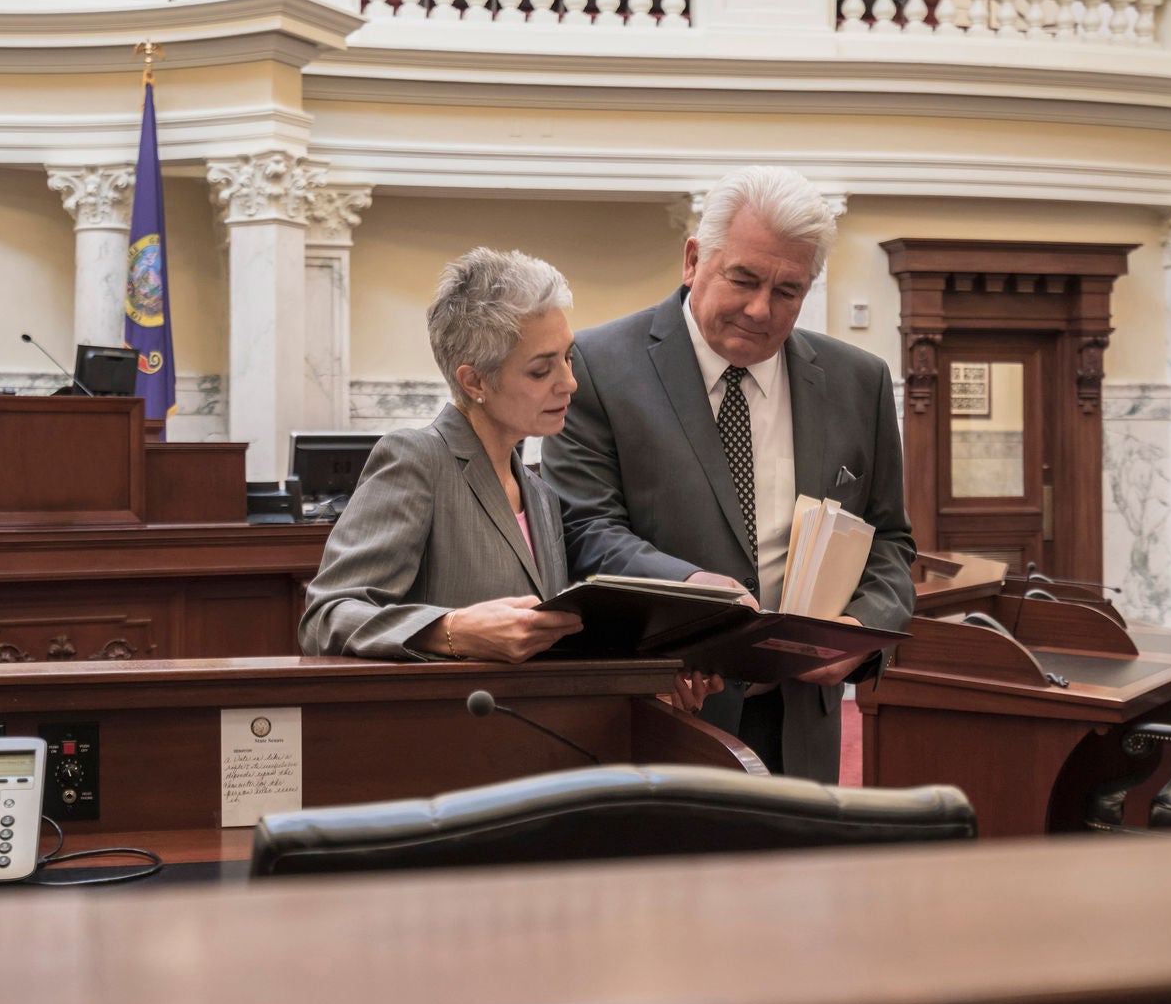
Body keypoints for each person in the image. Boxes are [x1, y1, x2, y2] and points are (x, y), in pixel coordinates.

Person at [539, 166, 915, 781]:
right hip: (662, 711)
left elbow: (890, 540)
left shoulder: (860, 382)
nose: (760, 310)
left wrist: (858, 628)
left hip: (801, 721)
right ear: (693, 260)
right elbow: (584, 529)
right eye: (742, 279)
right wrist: (689, 591)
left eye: (788, 291)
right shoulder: (599, 365)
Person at [298, 248, 584, 662]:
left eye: (568, 358)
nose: (569, 382)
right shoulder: (417, 460)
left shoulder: (539, 491)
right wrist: (452, 629)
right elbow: (326, 616)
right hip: (445, 720)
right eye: (541, 370)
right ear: (474, 381)